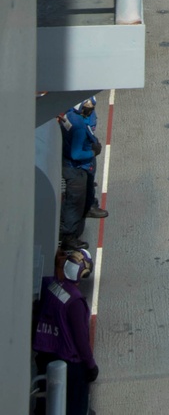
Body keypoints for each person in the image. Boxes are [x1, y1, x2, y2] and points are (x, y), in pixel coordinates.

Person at [33, 246, 99, 414]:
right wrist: (90, 365)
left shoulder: (51, 286)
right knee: (76, 402)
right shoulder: (75, 302)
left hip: (46, 353)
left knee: (45, 397)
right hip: (69, 361)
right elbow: (81, 339)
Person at [58, 99, 106, 247]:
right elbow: (76, 154)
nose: (91, 111)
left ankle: (87, 208)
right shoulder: (79, 128)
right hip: (77, 168)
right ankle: (69, 238)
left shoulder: (70, 116)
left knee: (81, 199)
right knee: (74, 204)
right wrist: (93, 151)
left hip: (73, 165)